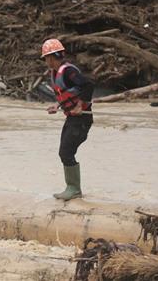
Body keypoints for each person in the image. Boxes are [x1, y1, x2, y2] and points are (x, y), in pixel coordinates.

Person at [41, 38, 94, 201]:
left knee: (66, 152)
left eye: (46, 58)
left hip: (82, 120)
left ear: (51, 57)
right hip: (72, 119)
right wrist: (57, 106)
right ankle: (72, 188)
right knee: (64, 152)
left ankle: (74, 189)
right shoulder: (56, 72)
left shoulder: (69, 71)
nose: (46, 61)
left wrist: (80, 105)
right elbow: (67, 92)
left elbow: (88, 85)